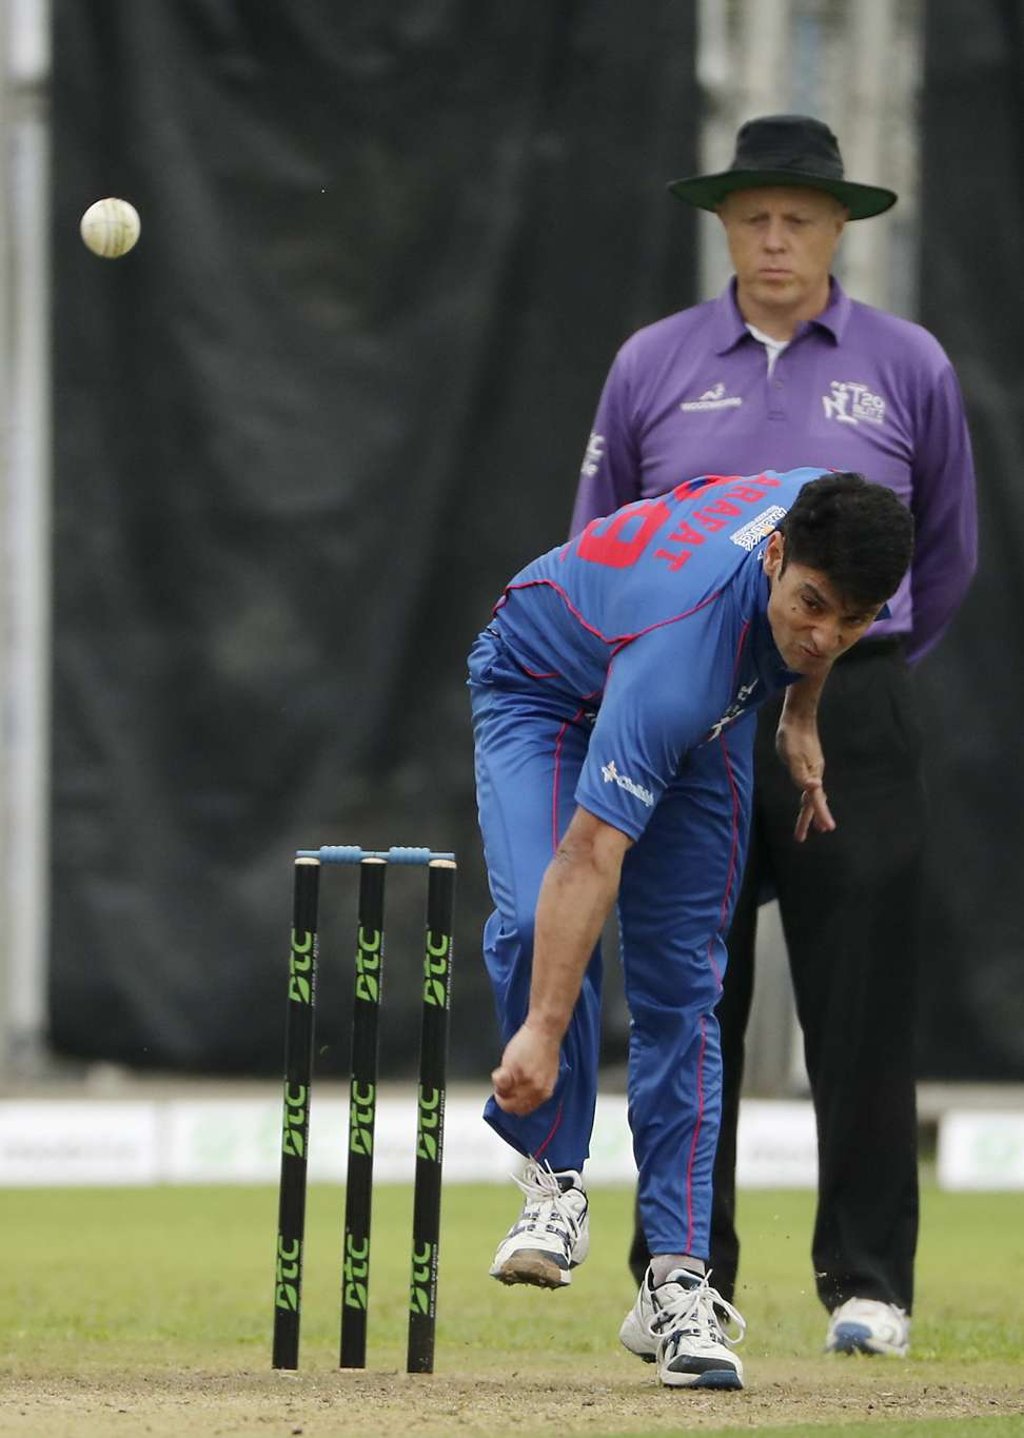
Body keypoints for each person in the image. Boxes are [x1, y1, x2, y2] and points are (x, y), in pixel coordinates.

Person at [570, 114, 978, 1358]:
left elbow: (944, 553)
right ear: (723, 225)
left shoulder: (906, 365)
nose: (776, 236)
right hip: (692, 703)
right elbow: (601, 542)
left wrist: (845, 668)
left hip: (853, 706)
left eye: (799, 215)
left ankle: (868, 1286)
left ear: (839, 226)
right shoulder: (652, 363)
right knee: (692, 996)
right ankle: (680, 1275)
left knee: (859, 1001)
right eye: (754, 215)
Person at [469, 467, 914, 1391]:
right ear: (776, 555)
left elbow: (823, 617)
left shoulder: (819, 511)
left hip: (703, 714)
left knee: (687, 988)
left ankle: (677, 1282)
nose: (824, 635)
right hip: (547, 692)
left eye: (856, 620)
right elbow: (591, 857)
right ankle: (554, 1182)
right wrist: (545, 1034)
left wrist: (798, 709)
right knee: (531, 927)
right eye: (811, 607)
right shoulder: (684, 655)